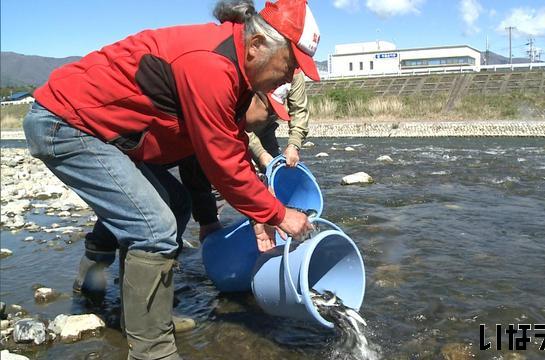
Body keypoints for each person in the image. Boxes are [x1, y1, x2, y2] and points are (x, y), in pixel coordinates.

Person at [22, 0, 321, 358]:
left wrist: (260, 214)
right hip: (66, 124)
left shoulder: (236, 77)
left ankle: (145, 318)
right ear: (256, 45)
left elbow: (221, 152)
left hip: (104, 133)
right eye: (289, 65)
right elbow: (222, 163)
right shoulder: (211, 65)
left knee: (174, 204)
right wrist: (279, 214)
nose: (290, 78)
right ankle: (152, 349)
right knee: (153, 226)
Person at [249, 70, 310, 170]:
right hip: (235, 129)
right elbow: (237, 122)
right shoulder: (254, 68)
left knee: (274, 168)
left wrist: (294, 145)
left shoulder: (296, 73)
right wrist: (260, 153)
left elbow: (299, 112)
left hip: (266, 129)